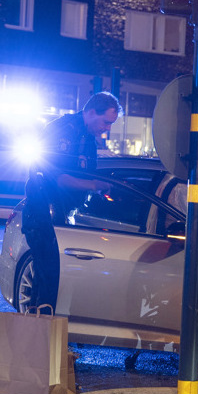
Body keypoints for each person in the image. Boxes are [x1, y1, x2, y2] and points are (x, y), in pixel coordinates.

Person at [22, 92, 121, 309]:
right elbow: (58, 179)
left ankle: (40, 329)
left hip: (62, 217)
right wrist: (95, 185)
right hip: (43, 217)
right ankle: (37, 331)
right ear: (92, 112)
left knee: (51, 279)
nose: (108, 128)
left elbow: (88, 176)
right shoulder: (63, 131)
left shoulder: (87, 139)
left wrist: (101, 190)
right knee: (48, 278)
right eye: (106, 121)